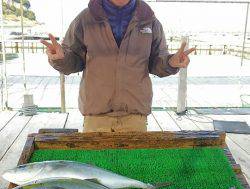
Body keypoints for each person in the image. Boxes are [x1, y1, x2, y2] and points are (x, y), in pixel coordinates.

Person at [41, 0, 195, 132]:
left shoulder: (150, 21)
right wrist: (60, 58)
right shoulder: (85, 19)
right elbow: (74, 61)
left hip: (135, 115)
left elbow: (156, 63)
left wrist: (171, 62)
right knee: (94, 164)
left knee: (132, 165)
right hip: (95, 115)